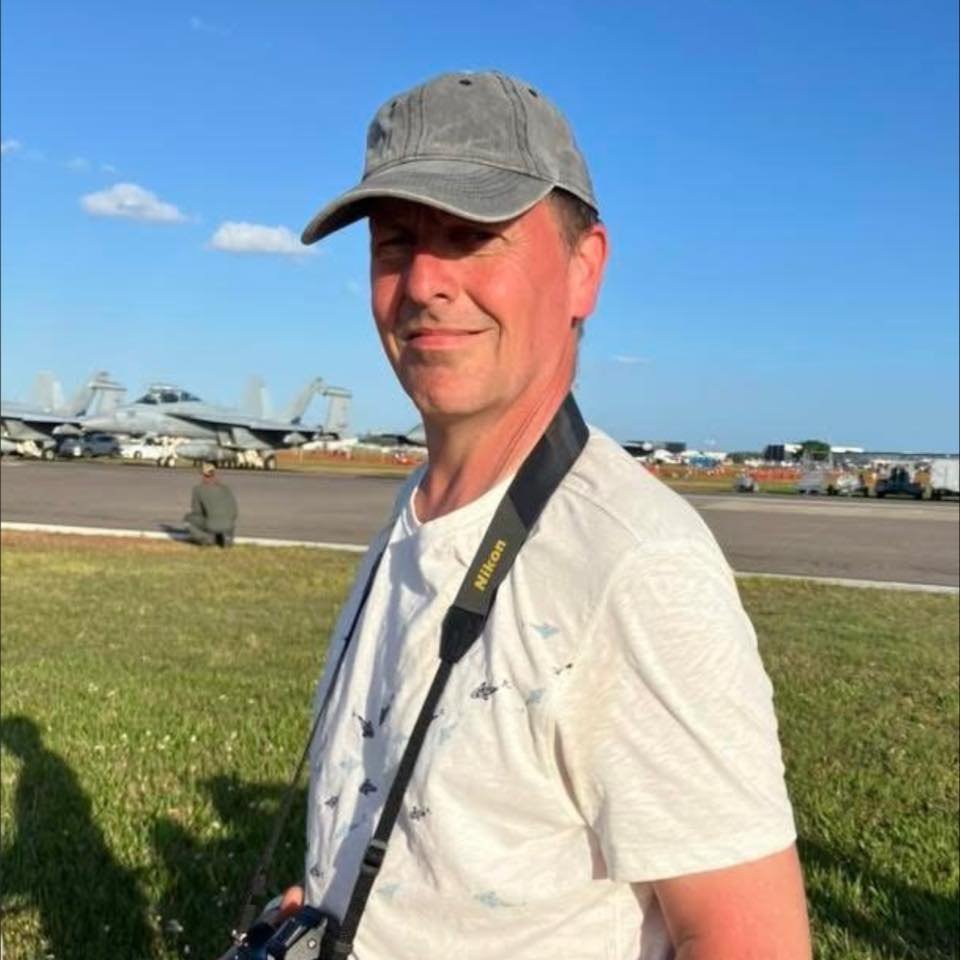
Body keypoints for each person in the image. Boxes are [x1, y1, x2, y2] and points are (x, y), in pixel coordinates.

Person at [276, 70, 810, 959]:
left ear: (583, 269)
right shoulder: (417, 511)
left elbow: (750, 940)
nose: (423, 283)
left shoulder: (635, 568)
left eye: (474, 236)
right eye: (395, 242)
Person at [184, 462, 237, 547]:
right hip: (229, 524)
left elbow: (197, 511)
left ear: (203, 475)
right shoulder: (225, 488)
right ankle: (227, 537)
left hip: (212, 524)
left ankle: (207, 539)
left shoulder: (198, 489)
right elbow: (234, 510)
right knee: (224, 521)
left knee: (187, 519)